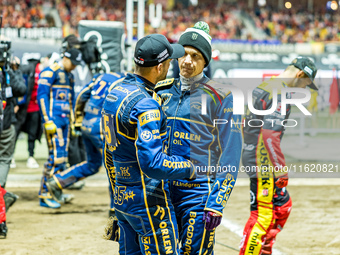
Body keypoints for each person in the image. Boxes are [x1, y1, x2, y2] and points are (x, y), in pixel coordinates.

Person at [102, 34, 196, 254]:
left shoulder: (115, 92)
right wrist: (188, 168)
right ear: (160, 67)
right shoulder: (147, 105)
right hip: (149, 201)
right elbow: (152, 163)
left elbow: (108, 154)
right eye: (171, 61)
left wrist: (118, 198)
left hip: (123, 197)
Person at [155, 21, 242, 254]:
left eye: (195, 56)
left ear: (205, 61)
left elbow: (231, 153)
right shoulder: (160, 91)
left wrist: (217, 201)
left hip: (197, 193)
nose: (187, 61)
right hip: (160, 191)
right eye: (183, 54)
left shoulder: (221, 96)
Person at [239, 57, 318, 255]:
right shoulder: (280, 91)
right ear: (300, 75)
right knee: (263, 215)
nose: (304, 90)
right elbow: (269, 134)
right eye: (305, 85)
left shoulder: (265, 85)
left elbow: (245, 123)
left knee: (282, 205)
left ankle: (264, 250)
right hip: (262, 159)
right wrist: (280, 169)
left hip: (253, 153)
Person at [45, 72, 125, 213]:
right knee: (116, 166)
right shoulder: (125, 82)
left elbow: (82, 95)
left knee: (92, 164)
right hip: (102, 127)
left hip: (87, 124)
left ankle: (58, 181)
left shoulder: (102, 76)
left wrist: (78, 119)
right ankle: (116, 207)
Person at [37, 48, 82, 209]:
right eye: (74, 63)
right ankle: (44, 194)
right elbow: (41, 96)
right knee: (55, 158)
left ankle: (56, 192)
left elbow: (71, 99)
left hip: (65, 122)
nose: (75, 67)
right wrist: (47, 120)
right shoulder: (50, 72)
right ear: (65, 58)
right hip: (53, 122)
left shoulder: (69, 75)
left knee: (63, 159)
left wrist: (74, 121)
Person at [0, 38, 26, 237]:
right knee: (3, 161)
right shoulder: (6, 71)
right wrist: (13, 68)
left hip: (6, 125)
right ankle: (1, 194)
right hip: (5, 126)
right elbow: (21, 89)